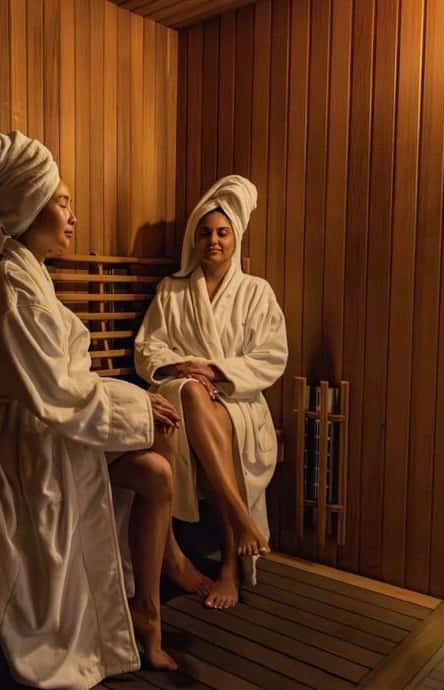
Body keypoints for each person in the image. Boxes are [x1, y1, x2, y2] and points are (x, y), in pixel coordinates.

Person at [0, 131, 208, 689]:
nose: (73, 216)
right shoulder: (12, 287)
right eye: (62, 202)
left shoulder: (27, 274)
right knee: (157, 439)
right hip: (19, 446)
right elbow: (57, 392)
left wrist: (139, 405)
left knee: (159, 461)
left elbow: (61, 386)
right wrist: (137, 403)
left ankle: (148, 606)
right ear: (27, 205)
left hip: (49, 427)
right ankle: (151, 601)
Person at [134, 175, 288, 610]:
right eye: (204, 232)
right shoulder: (172, 290)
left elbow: (272, 356)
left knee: (208, 405)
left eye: (222, 232)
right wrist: (184, 367)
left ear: (235, 237)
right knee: (194, 395)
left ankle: (229, 559)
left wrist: (214, 369)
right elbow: (148, 348)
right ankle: (237, 531)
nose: (213, 240)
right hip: (179, 392)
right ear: (193, 239)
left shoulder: (257, 293)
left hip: (234, 399)